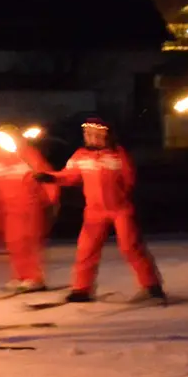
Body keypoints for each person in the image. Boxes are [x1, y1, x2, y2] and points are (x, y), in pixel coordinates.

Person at [38, 118, 164, 303]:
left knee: (131, 247)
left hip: (120, 209)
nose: (91, 138)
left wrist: (123, 197)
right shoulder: (80, 155)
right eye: (88, 134)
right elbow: (69, 176)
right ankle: (82, 289)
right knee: (86, 250)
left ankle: (151, 286)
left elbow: (129, 180)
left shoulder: (118, 155)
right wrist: (50, 178)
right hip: (95, 212)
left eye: (96, 135)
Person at [0, 129, 57, 293]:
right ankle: (20, 276)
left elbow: (45, 175)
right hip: (8, 208)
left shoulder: (28, 154)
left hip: (29, 206)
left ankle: (34, 278)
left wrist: (52, 197)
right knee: (14, 243)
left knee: (29, 242)